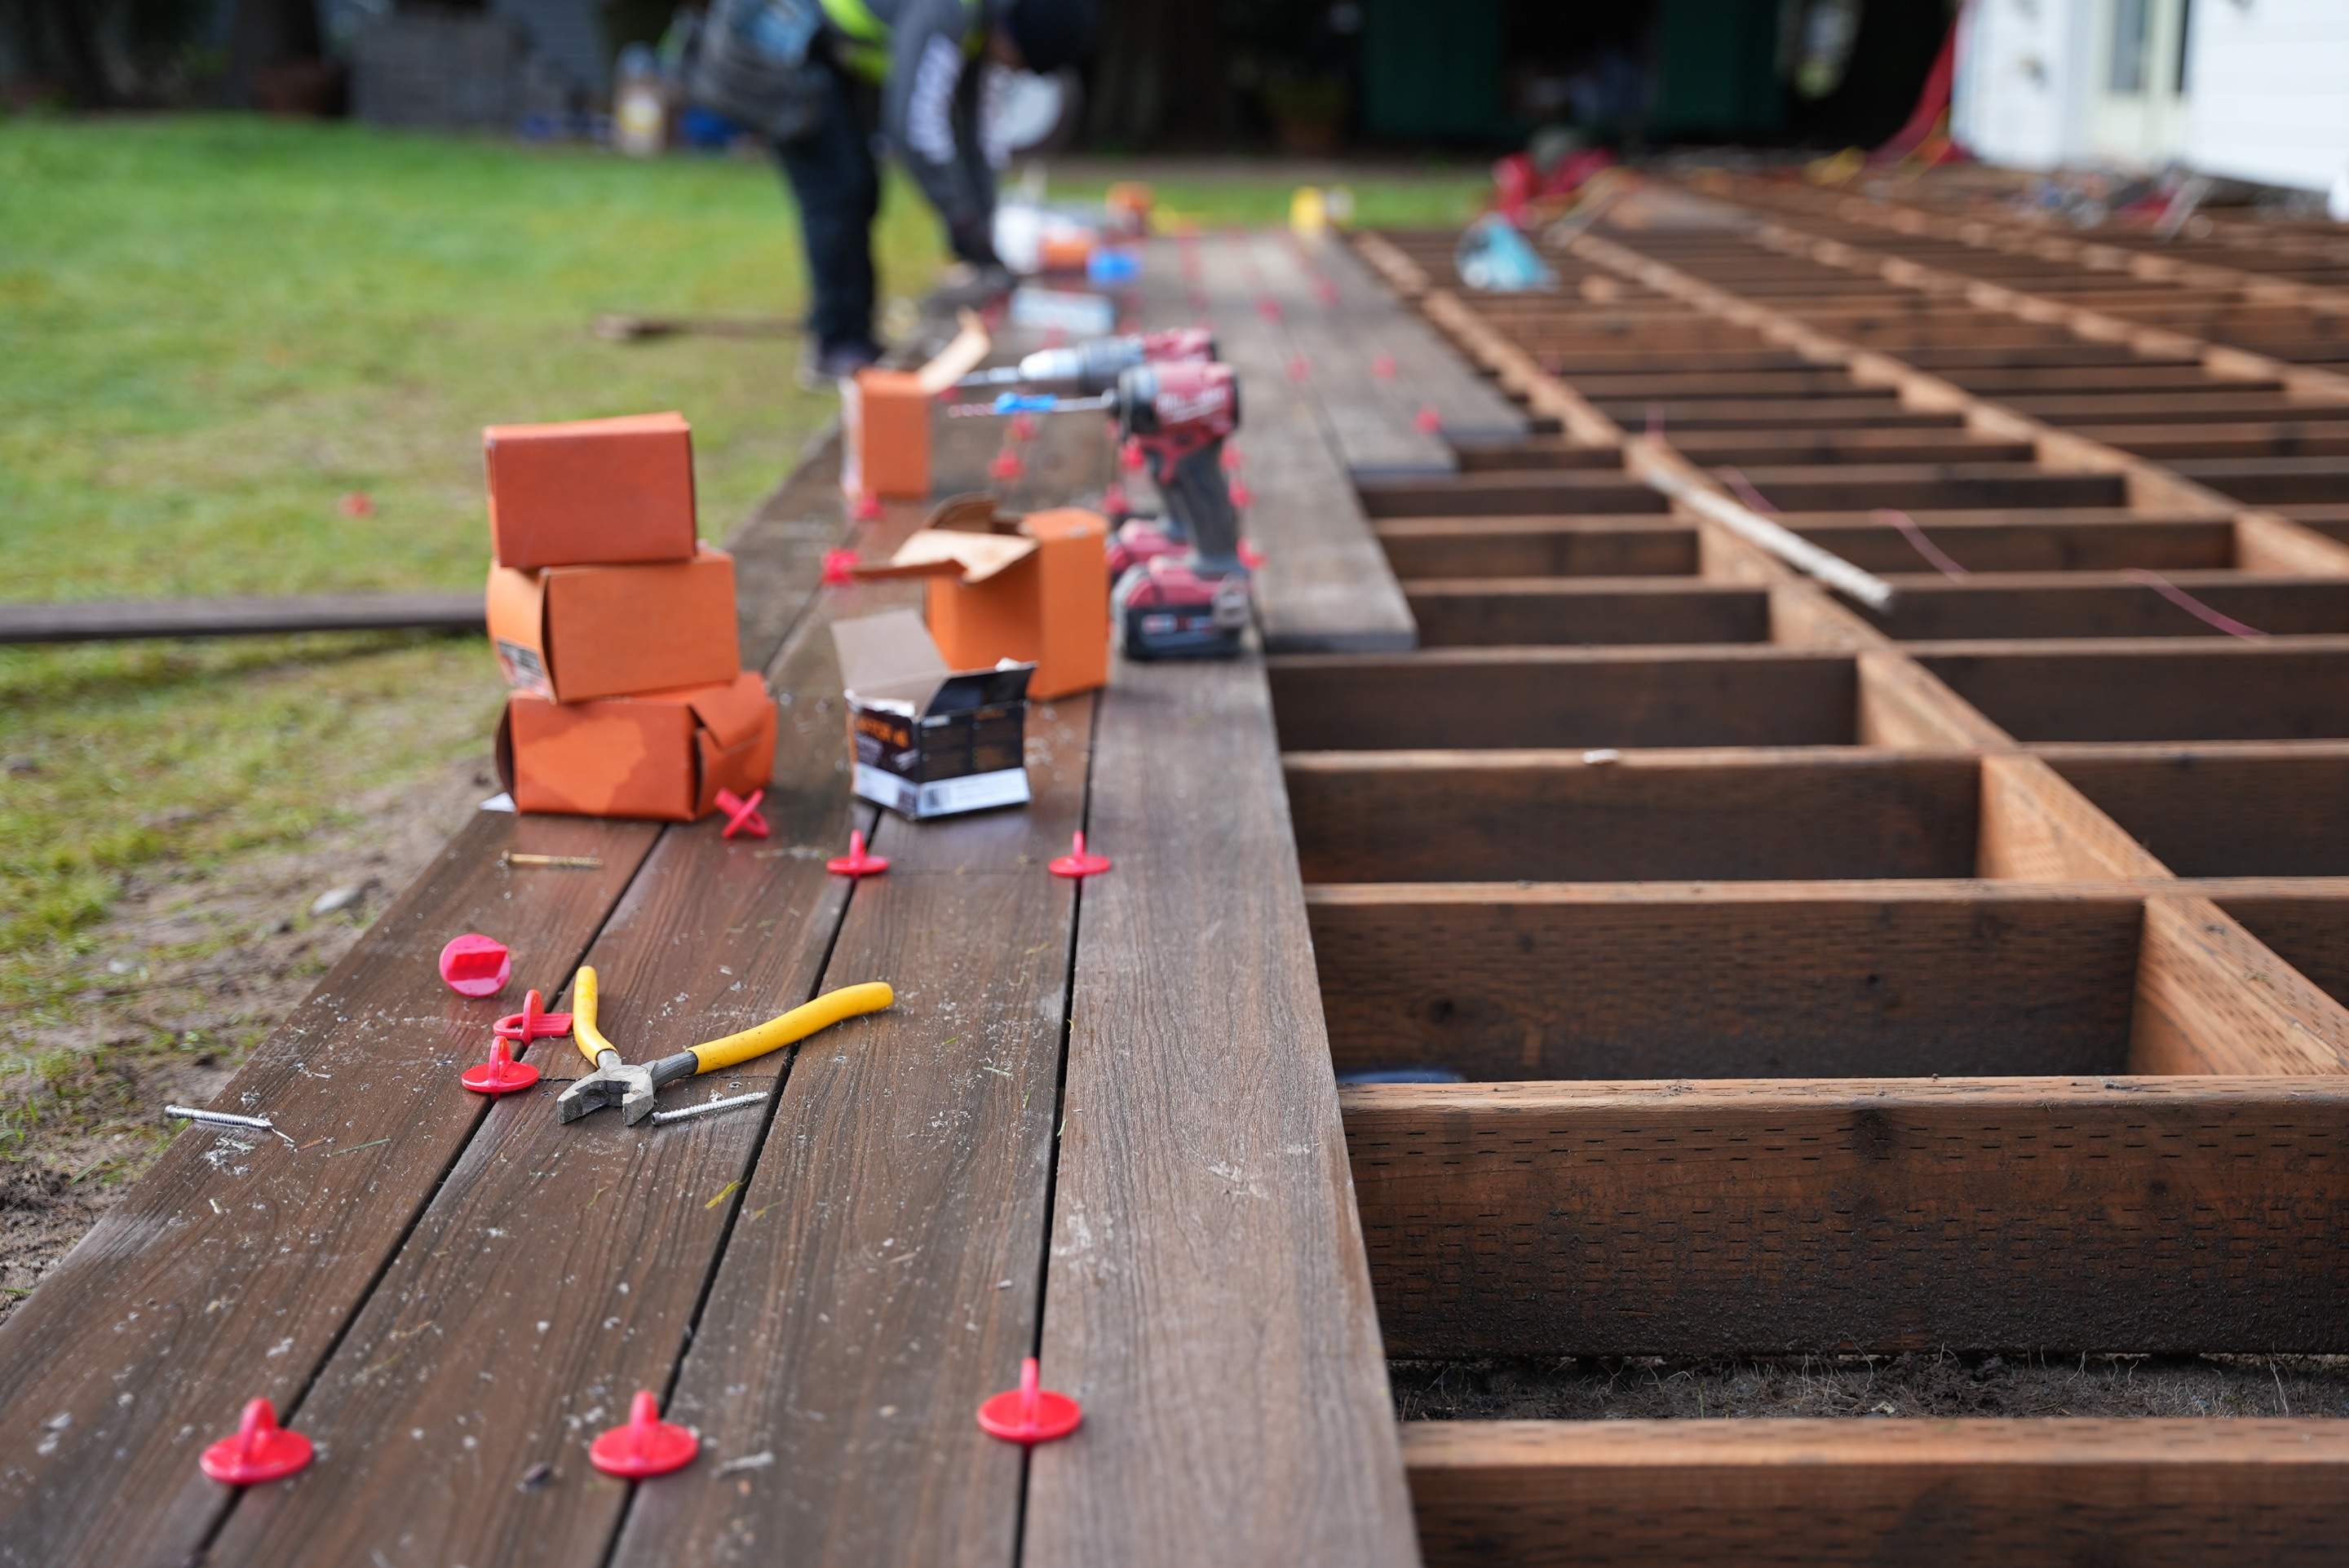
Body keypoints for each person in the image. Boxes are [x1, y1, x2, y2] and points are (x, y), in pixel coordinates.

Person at [690, 0, 1099, 382]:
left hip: (813, 49)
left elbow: (971, 135)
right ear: (1019, 30)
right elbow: (916, 130)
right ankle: (838, 345)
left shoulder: (977, 23)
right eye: (1021, 60)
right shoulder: (948, 9)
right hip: (766, 42)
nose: (1013, 67)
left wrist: (984, 238)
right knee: (841, 189)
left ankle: (852, 337)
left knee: (855, 184)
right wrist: (966, 228)